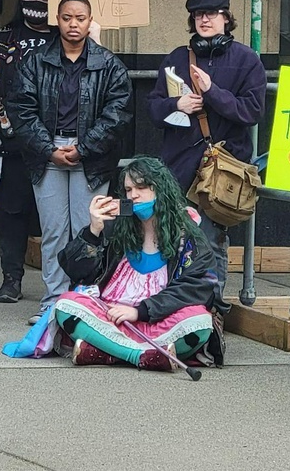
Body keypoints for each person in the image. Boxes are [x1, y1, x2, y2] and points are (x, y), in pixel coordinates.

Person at [5, 0, 132, 326]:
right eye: (67, 18)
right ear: (56, 20)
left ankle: (85, 299)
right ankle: (53, 301)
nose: (73, 24)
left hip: (91, 157)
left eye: (80, 18)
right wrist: (49, 148)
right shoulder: (35, 62)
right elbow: (21, 109)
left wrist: (84, 148)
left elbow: (117, 114)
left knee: (88, 229)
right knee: (53, 231)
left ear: (90, 22)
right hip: (47, 154)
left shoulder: (109, 64)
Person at [147, 0, 265, 310]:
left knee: (211, 243)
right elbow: (154, 109)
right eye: (199, 15)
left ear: (226, 17)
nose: (204, 20)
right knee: (170, 240)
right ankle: (173, 311)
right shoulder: (175, 58)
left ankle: (210, 315)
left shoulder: (247, 60)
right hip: (177, 166)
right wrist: (177, 103)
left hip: (220, 170)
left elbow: (252, 111)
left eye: (211, 14)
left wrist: (213, 92)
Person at [53, 156, 217, 369]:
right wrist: (93, 231)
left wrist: (141, 311)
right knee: (66, 304)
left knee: (201, 322)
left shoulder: (189, 237)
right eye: (129, 190)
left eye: (142, 187)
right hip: (111, 318)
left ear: (161, 189)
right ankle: (141, 356)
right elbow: (76, 271)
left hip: (159, 320)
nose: (134, 195)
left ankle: (105, 351)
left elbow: (195, 289)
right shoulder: (116, 228)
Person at [0, 0, 52, 305]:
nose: (36, 0)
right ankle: (11, 279)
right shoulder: (1, 40)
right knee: (11, 212)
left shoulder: (61, 39)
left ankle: (60, 282)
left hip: (53, 143)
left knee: (54, 216)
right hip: (9, 141)